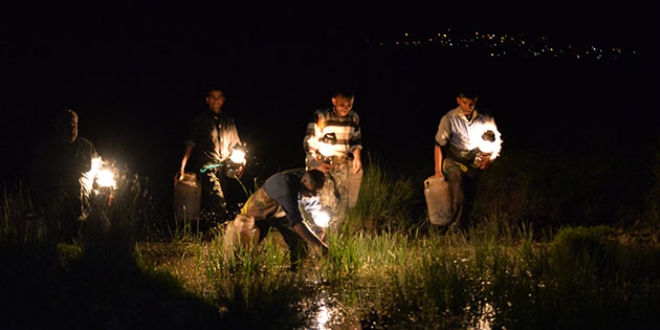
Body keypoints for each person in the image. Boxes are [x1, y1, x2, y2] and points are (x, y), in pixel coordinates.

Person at [224, 168, 329, 271]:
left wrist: (318, 224)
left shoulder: (305, 179)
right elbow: (297, 222)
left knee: (299, 243)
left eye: (316, 192)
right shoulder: (285, 185)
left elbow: (312, 203)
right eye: (311, 191)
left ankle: (297, 272)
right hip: (258, 214)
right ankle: (236, 271)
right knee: (242, 248)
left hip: (280, 213)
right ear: (304, 181)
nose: (313, 195)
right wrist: (320, 245)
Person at [433, 87, 502, 233]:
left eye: (471, 103)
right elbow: (439, 145)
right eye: (464, 103)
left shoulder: (484, 117)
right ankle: (454, 229)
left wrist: (489, 159)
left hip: (473, 160)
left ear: (475, 101)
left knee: (469, 197)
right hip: (453, 160)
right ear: (459, 100)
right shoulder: (449, 118)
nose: (468, 107)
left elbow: (496, 141)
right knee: (459, 191)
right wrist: (438, 171)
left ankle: (461, 228)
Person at [177, 87, 244, 231]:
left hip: (225, 166)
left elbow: (236, 145)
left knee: (221, 199)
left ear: (223, 100)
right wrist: (182, 167)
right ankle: (221, 230)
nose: (216, 100)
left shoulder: (228, 120)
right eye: (212, 97)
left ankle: (211, 230)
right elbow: (190, 144)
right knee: (216, 198)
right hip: (206, 166)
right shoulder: (200, 120)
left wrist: (241, 163)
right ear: (207, 100)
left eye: (219, 97)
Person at [30, 109, 101, 242]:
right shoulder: (47, 148)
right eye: (67, 126)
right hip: (56, 194)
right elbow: (37, 175)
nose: (72, 130)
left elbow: (98, 167)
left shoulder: (86, 146)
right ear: (58, 127)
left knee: (102, 221)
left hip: (84, 193)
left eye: (74, 126)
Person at [303, 89, 363, 235]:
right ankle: (318, 235)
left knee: (340, 200)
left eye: (349, 105)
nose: (345, 108)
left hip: (342, 162)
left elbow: (356, 140)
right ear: (334, 101)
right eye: (341, 104)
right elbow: (309, 141)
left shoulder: (353, 117)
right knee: (321, 200)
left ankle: (334, 237)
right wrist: (316, 163)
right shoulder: (321, 116)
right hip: (321, 162)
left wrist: (357, 157)